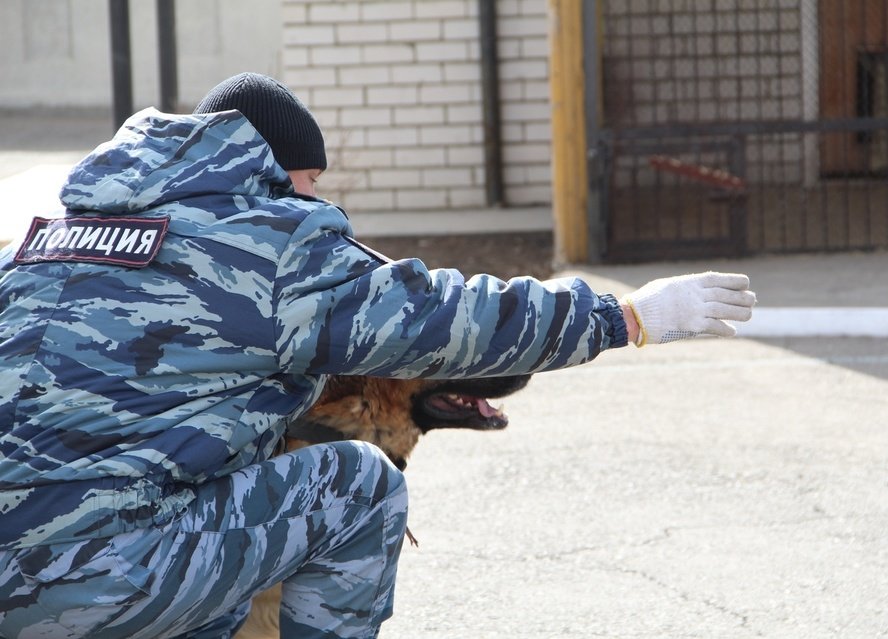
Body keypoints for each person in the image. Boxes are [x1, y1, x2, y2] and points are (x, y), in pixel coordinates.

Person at [0, 72, 756, 638]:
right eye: (311, 177)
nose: (316, 194)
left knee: (225, 494)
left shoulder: (43, 240)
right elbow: (447, 320)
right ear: (267, 167)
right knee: (356, 487)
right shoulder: (266, 245)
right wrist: (627, 315)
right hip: (94, 577)